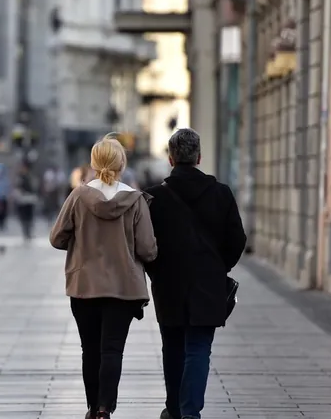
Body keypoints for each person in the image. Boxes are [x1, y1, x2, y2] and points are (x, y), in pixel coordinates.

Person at [50, 136, 158, 419]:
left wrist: (80, 240)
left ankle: (91, 405)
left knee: (90, 350)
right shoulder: (135, 200)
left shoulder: (78, 196)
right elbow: (148, 249)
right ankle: (103, 408)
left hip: (85, 285)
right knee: (112, 350)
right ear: (122, 163)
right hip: (122, 288)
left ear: (94, 163)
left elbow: (56, 237)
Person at [143, 128, 246, 419]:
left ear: (171, 158)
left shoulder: (152, 198)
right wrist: (218, 267)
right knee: (199, 348)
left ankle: (174, 409)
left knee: (172, 347)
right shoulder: (221, 194)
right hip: (208, 284)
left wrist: (156, 270)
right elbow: (237, 240)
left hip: (168, 284)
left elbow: (143, 244)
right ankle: (190, 413)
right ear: (199, 157)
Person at [13, 164, 38, 242]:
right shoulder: (20, 177)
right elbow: (18, 187)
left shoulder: (30, 177)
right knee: (23, 217)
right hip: (22, 199)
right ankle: (25, 233)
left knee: (29, 216)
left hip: (29, 198)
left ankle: (29, 232)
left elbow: (34, 187)